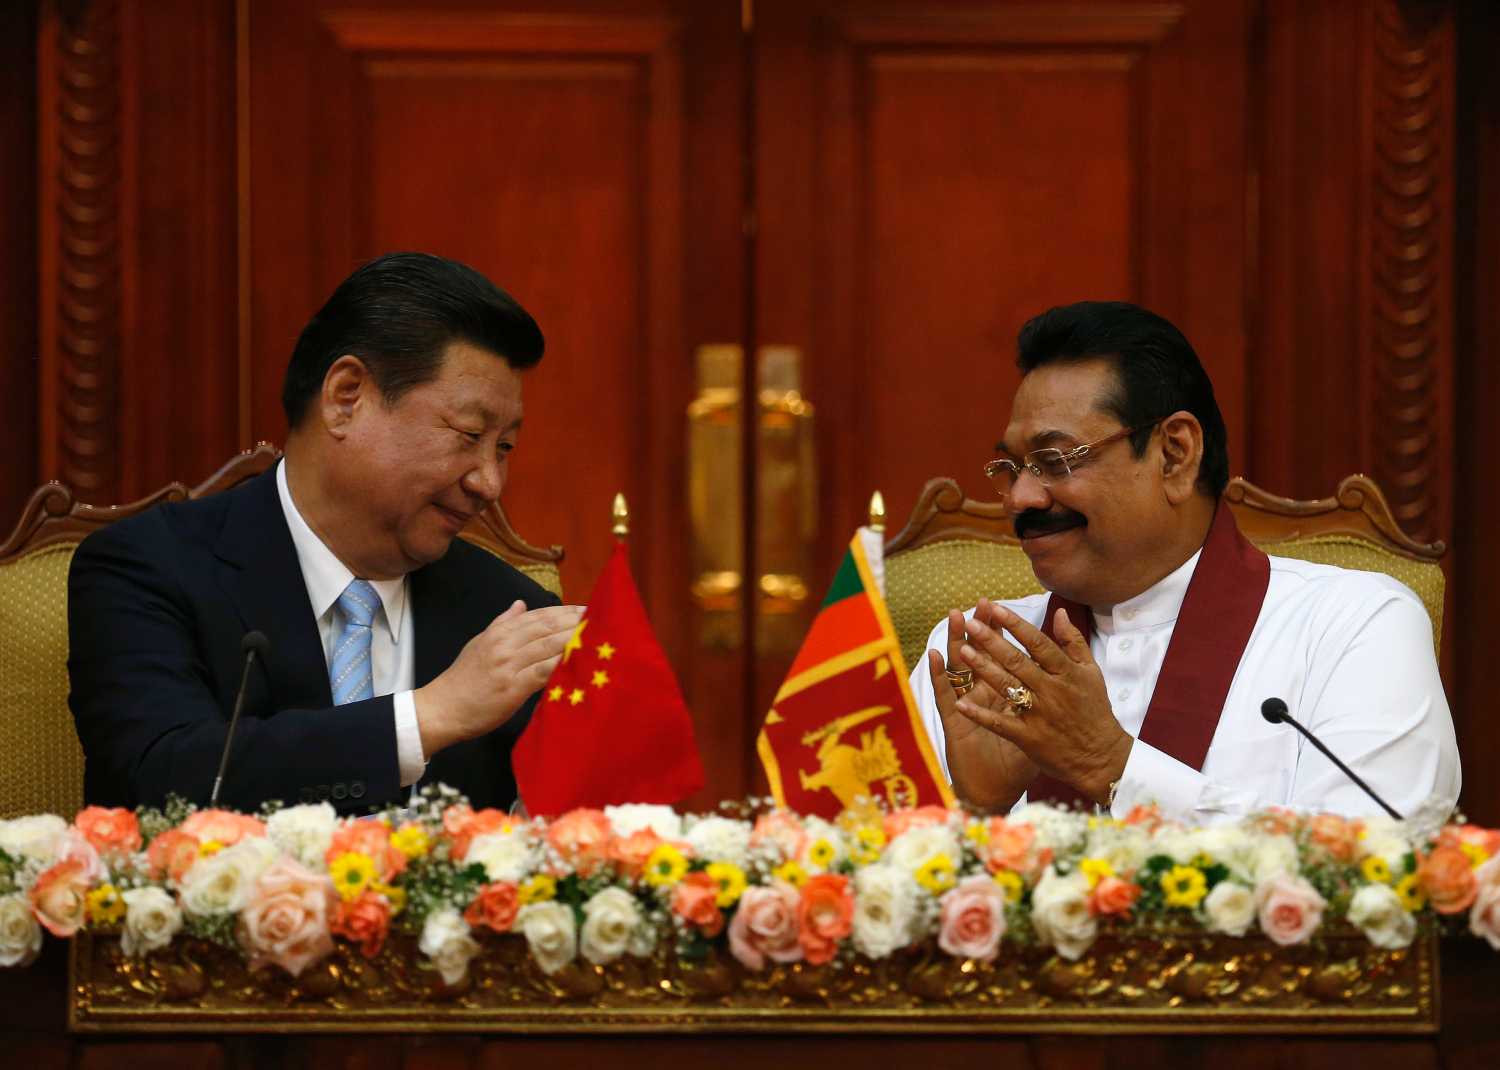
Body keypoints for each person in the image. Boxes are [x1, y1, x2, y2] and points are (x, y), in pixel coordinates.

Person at [68, 253, 583, 814]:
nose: (489, 481)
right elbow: (163, 779)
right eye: (469, 434)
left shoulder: (507, 613)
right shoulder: (147, 569)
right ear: (346, 398)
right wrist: (430, 716)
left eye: (503, 447)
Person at [910, 301, 1460, 825]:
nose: (1021, 498)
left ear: (1175, 453)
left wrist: (1113, 766)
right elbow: (867, 887)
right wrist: (980, 812)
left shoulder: (1350, 625)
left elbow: (1377, 867)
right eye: (1011, 467)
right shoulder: (971, 656)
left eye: (1055, 460)